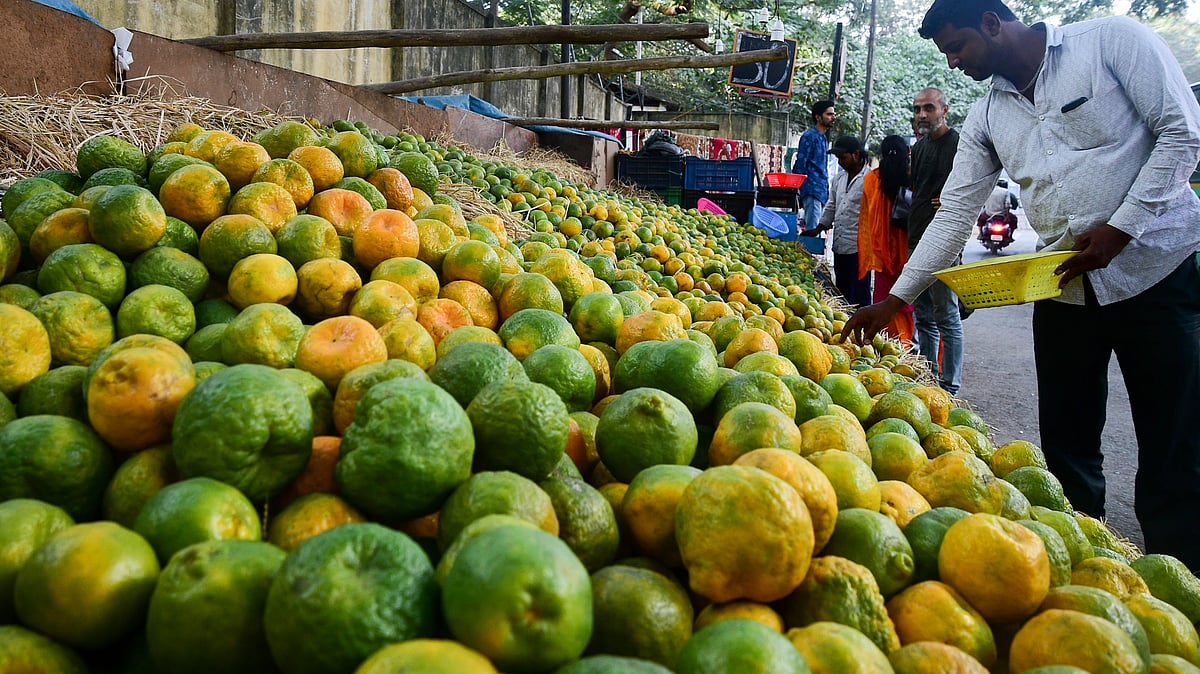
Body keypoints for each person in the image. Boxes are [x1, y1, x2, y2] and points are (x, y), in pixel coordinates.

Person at [841, 0, 1200, 569]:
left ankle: (1183, 586)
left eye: (957, 46)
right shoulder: (987, 116)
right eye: (946, 54)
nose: (954, 62)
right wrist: (896, 299)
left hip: (1157, 273)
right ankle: (1085, 569)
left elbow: (1183, 135)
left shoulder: (1112, 42)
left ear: (991, 23)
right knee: (1068, 448)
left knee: (1174, 445)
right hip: (1061, 286)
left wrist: (1122, 227)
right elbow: (956, 210)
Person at [908, 86, 965, 394]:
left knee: (947, 314)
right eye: (917, 109)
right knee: (923, 314)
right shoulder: (918, 149)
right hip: (917, 236)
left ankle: (950, 385)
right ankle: (929, 377)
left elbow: (976, 188)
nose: (921, 115)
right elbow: (918, 189)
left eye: (928, 108)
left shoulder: (960, 145)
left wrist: (952, 200)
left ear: (945, 109)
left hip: (945, 240)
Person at [857, 134, 916, 343]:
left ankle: (888, 346)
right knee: (905, 301)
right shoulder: (914, 179)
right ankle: (906, 345)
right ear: (907, 153)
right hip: (910, 253)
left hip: (882, 256)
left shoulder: (872, 180)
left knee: (884, 300)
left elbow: (865, 221)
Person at [813, 135, 872, 306]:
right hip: (840, 245)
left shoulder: (869, 179)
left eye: (843, 158)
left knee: (859, 293)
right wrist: (819, 227)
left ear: (856, 154)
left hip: (859, 247)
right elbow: (831, 205)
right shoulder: (839, 179)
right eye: (838, 158)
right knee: (842, 291)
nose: (840, 162)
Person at [792, 100, 836, 234]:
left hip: (821, 190)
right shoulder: (809, 136)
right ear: (818, 117)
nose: (833, 117)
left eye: (833, 114)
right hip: (811, 189)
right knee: (812, 229)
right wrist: (796, 186)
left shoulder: (822, 138)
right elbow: (801, 163)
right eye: (829, 114)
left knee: (816, 228)